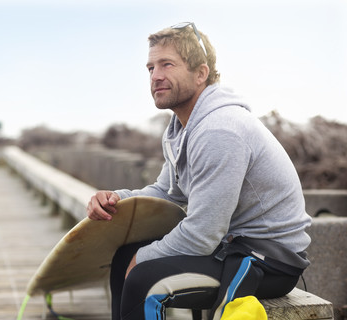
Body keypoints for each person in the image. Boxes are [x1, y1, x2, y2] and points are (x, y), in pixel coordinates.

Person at [87, 21, 312, 320]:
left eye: (167, 64)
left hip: (267, 260)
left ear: (200, 73)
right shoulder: (183, 127)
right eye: (150, 68)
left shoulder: (220, 131)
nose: (156, 76)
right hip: (231, 247)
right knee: (125, 258)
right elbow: (167, 194)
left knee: (145, 279)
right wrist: (116, 197)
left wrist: (144, 258)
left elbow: (202, 235)